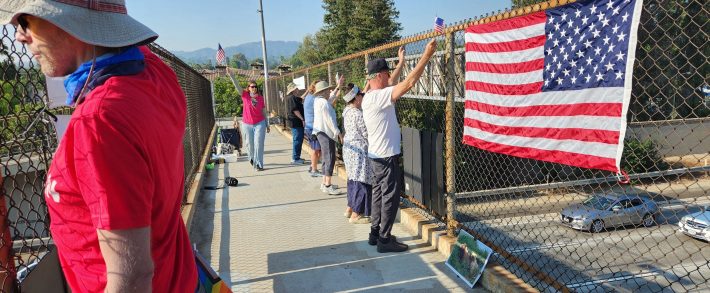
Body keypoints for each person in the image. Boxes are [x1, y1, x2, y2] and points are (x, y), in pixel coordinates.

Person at [1, 0, 197, 291]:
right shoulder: (155, 74)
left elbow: (131, 277)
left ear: (68, 21)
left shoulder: (99, 122)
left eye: (24, 22)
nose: (18, 35)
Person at [363, 41, 436, 253]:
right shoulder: (379, 97)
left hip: (376, 156)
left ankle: (375, 233)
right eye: (385, 74)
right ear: (378, 76)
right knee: (390, 196)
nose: (388, 77)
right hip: (385, 157)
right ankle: (385, 240)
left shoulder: (370, 96)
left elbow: (393, 81)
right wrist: (426, 55)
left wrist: (401, 61)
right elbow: (409, 83)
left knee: (378, 194)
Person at [342, 84, 373, 224]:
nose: (362, 97)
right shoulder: (358, 114)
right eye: (360, 95)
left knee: (352, 178)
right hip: (359, 150)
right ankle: (356, 213)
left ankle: (350, 208)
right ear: (356, 98)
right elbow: (365, 132)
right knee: (361, 180)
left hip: (349, 149)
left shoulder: (347, 111)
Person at [311, 78, 344, 195]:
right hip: (326, 133)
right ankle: (328, 185)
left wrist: (338, 87)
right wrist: (338, 133)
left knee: (326, 157)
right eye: (327, 90)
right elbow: (329, 120)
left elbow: (330, 100)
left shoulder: (318, 101)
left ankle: (325, 182)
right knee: (330, 157)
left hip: (320, 132)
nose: (329, 92)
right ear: (323, 91)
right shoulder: (323, 102)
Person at [241, 80, 270, 171]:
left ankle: (259, 164)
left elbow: (263, 111)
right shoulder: (245, 96)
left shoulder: (260, 98)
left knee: (259, 143)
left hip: (259, 123)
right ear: (248, 88)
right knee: (249, 144)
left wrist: (267, 123)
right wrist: (232, 76)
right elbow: (237, 87)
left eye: (255, 86)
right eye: (252, 86)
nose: (254, 88)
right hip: (247, 124)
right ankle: (252, 158)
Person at [302, 80, 323, 177]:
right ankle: (314, 170)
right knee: (316, 149)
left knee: (315, 148)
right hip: (313, 127)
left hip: (309, 126)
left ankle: (312, 166)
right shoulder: (314, 98)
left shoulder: (308, 96)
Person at [286, 82, 306, 164]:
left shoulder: (293, 97)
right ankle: (295, 158)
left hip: (296, 122)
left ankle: (297, 157)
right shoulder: (291, 98)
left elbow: (302, 98)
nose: (298, 89)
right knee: (297, 139)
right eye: (296, 88)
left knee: (298, 139)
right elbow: (295, 110)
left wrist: (308, 90)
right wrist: (302, 119)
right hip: (296, 121)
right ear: (293, 90)